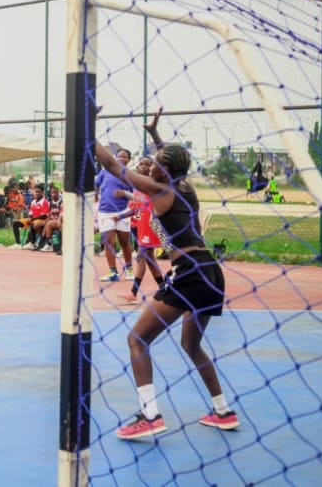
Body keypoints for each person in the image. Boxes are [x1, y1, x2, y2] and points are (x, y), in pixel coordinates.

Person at [94, 107, 238, 440]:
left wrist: (88, 128)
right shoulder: (184, 186)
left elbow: (113, 165)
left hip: (189, 272)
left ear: (163, 169)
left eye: (155, 161)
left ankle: (151, 416)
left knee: (137, 339)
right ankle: (223, 411)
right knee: (192, 344)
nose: (150, 163)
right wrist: (156, 135)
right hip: (211, 272)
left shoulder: (161, 190)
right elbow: (171, 159)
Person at [113, 157, 165, 303]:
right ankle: (163, 287)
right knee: (149, 259)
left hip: (152, 225)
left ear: (153, 168)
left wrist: (125, 194)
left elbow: (146, 202)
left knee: (141, 256)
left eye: (147, 165)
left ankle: (133, 292)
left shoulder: (153, 185)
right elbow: (137, 206)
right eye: (141, 164)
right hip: (143, 226)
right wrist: (121, 215)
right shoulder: (138, 187)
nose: (143, 167)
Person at [95, 147, 134, 281]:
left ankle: (129, 269)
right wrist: (95, 194)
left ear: (129, 160)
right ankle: (113, 272)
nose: (122, 158)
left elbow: (137, 196)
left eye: (125, 157)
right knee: (109, 242)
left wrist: (124, 194)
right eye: (119, 156)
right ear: (115, 158)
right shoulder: (105, 171)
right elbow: (96, 184)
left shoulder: (130, 175)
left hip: (122, 212)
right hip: (105, 212)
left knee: (124, 241)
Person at [10, 183, 49, 249]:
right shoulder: (33, 202)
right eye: (35, 192)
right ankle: (18, 244)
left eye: (38, 192)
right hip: (33, 219)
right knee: (15, 223)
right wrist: (30, 219)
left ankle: (31, 243)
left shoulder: (44, 202)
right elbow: (31, 213)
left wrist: (32, 219)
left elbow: (44, 215)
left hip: (41, 220)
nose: (36, 193)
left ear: (42, 193)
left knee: (33, 223)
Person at [34, 185, 63, 254]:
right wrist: (47, 219)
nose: (53, 194)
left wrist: (49, 221)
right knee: (36, 225)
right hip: (51, 220)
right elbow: (49, 214)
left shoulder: (61, 202)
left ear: (58, 193)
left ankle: (45, 244)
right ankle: (45, 242)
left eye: (55, 192)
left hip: (58, 221)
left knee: (48, 224)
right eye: (52, 193)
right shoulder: (51, 202)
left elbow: (61, 214)